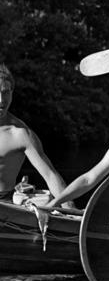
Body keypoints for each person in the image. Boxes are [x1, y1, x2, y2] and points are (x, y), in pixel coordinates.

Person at [0, 63, 66, 202]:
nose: (1, 100)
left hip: (4, 207)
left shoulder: (20, 134)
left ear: (12, 92)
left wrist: (71, 210)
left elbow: (50, 175)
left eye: (5, 92)